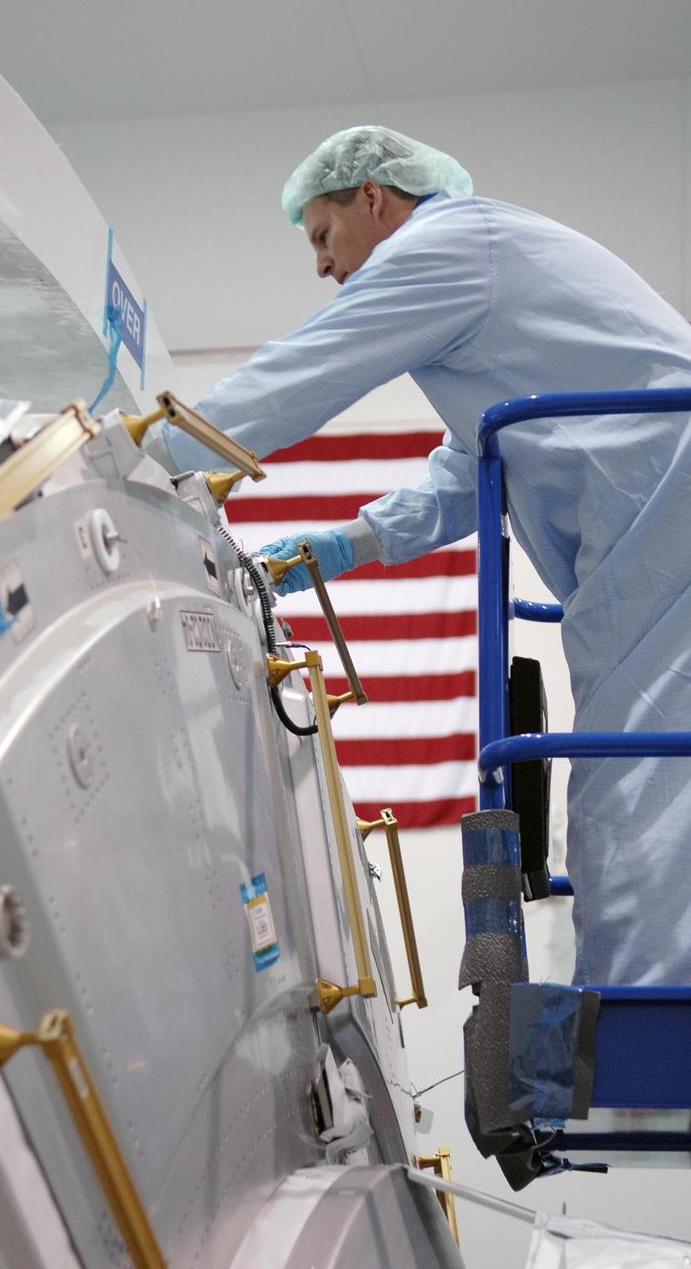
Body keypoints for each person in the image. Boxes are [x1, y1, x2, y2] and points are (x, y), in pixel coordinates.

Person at [153, 125, 691, 988]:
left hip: (667, 518)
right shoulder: (485, 276)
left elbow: (303, 372)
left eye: (323, 236)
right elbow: (468, 465)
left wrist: (147, 453)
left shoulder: (451, 245)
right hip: (644, 535)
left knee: (643, 794)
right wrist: (344, 546)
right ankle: (632, 1023)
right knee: (629, 785)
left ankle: (646, 1039)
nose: (322, 266)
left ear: (373, 196)